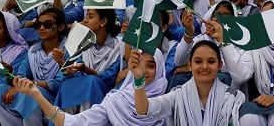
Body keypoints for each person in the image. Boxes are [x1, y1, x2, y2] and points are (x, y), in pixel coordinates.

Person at [11, 49, 168, 126]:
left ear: (160, 70)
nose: (143, 71)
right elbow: (75, 122)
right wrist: (37, 95)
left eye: (151, 66)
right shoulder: (116, 100)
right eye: (138, 64)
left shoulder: (170, 102)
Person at [132, 41, 246, 125]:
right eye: (198, 61)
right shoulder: (178, 96)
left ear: (220, 66)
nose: (204, 66)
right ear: (190, 65)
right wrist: (138, 78)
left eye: (211, 61)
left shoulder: (232, 98)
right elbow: (144, 109)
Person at [0, 8, 68, 125]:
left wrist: (31, 84)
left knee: (30, 92)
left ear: (60, 27)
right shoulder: (32, 51)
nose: (41, 28)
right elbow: (21, 74)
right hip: (30, 87)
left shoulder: (68, 50)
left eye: (47, 24)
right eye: (38, 24)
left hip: (56, 98)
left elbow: (59, 83)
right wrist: (10, 73)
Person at [53, 8, 121, 113]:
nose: (85, 20)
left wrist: (85, 69)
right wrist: (62, 63)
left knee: (91, 81)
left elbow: (109, 78)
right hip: (84, 84)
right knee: (67, 84)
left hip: (106, 91)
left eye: (90, 17)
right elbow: (75, 70)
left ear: (103, 21)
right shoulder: (82, 41)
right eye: (86, 16)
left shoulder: (119, 46)